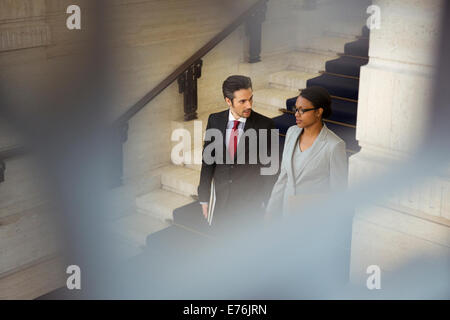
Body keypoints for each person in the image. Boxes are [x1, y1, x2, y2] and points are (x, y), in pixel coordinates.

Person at [197, 75, 276, 230]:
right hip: (221, 201)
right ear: (228, 101)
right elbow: (208, 161)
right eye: (242, 101)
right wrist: (204, 199)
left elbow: (271, 171)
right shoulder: (214, 120)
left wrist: (268, 204)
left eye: (251, 99)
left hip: (250, 205)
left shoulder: (266, 125)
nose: (249, 105)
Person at [266, 86, 348, 216]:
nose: (296, 114)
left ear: (318, 112)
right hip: (286, 217)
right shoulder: (292, 132)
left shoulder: (334, 146)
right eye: (295, 109)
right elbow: (283, 179)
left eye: (302, 110)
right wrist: (270, 214)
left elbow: (338, 193)